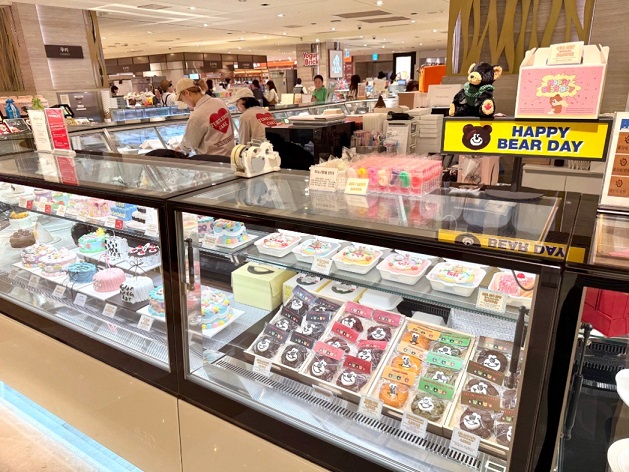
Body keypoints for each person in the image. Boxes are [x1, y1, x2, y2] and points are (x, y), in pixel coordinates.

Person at [175, 78, 235, 156]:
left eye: (181, 99)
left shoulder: (196, 115)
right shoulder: (219, 101)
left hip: (212, 160)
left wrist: (176, 149)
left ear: (186, 93)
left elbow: (189, 144)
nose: (183, 102)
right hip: (231, 155)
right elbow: (231, 127)